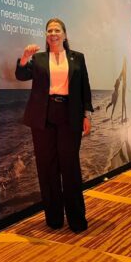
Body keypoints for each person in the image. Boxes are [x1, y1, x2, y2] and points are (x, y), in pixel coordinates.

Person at [15, 18, 93, 233]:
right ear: (46, 36)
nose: (53, 33)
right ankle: (54, 219)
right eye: (49, 30)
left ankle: (77, 219)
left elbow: (84, 87)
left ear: (64, 35)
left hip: (70, 115)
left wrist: (86, 114)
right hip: (43, 116)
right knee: (47, 168)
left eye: (57, 30)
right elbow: (21, 75)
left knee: (70, 166)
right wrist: (25, 57)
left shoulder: (77, 57)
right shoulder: (38, 58)